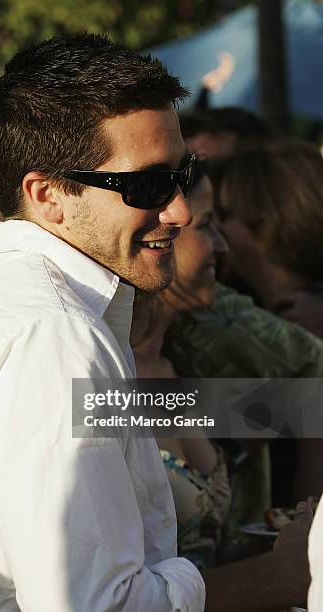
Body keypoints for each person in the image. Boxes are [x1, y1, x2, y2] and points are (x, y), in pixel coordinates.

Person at [0, 34, 206, 612]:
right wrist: (191, 579)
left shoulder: (4, 310)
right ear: (47, 194)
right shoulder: (52, 336)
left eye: (183, 173)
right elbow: (96, 604)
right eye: (147, 184)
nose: (180, 209)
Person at [131, 167, 316, 610]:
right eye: (208, 224)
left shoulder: (181, 358)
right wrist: (279, 571)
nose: (223, 246)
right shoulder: (99, 364)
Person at [213, 138, 323, 503]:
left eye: (221, 216)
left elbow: (241, 429)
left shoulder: (302, 325)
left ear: (260, 222)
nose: (218, 233)